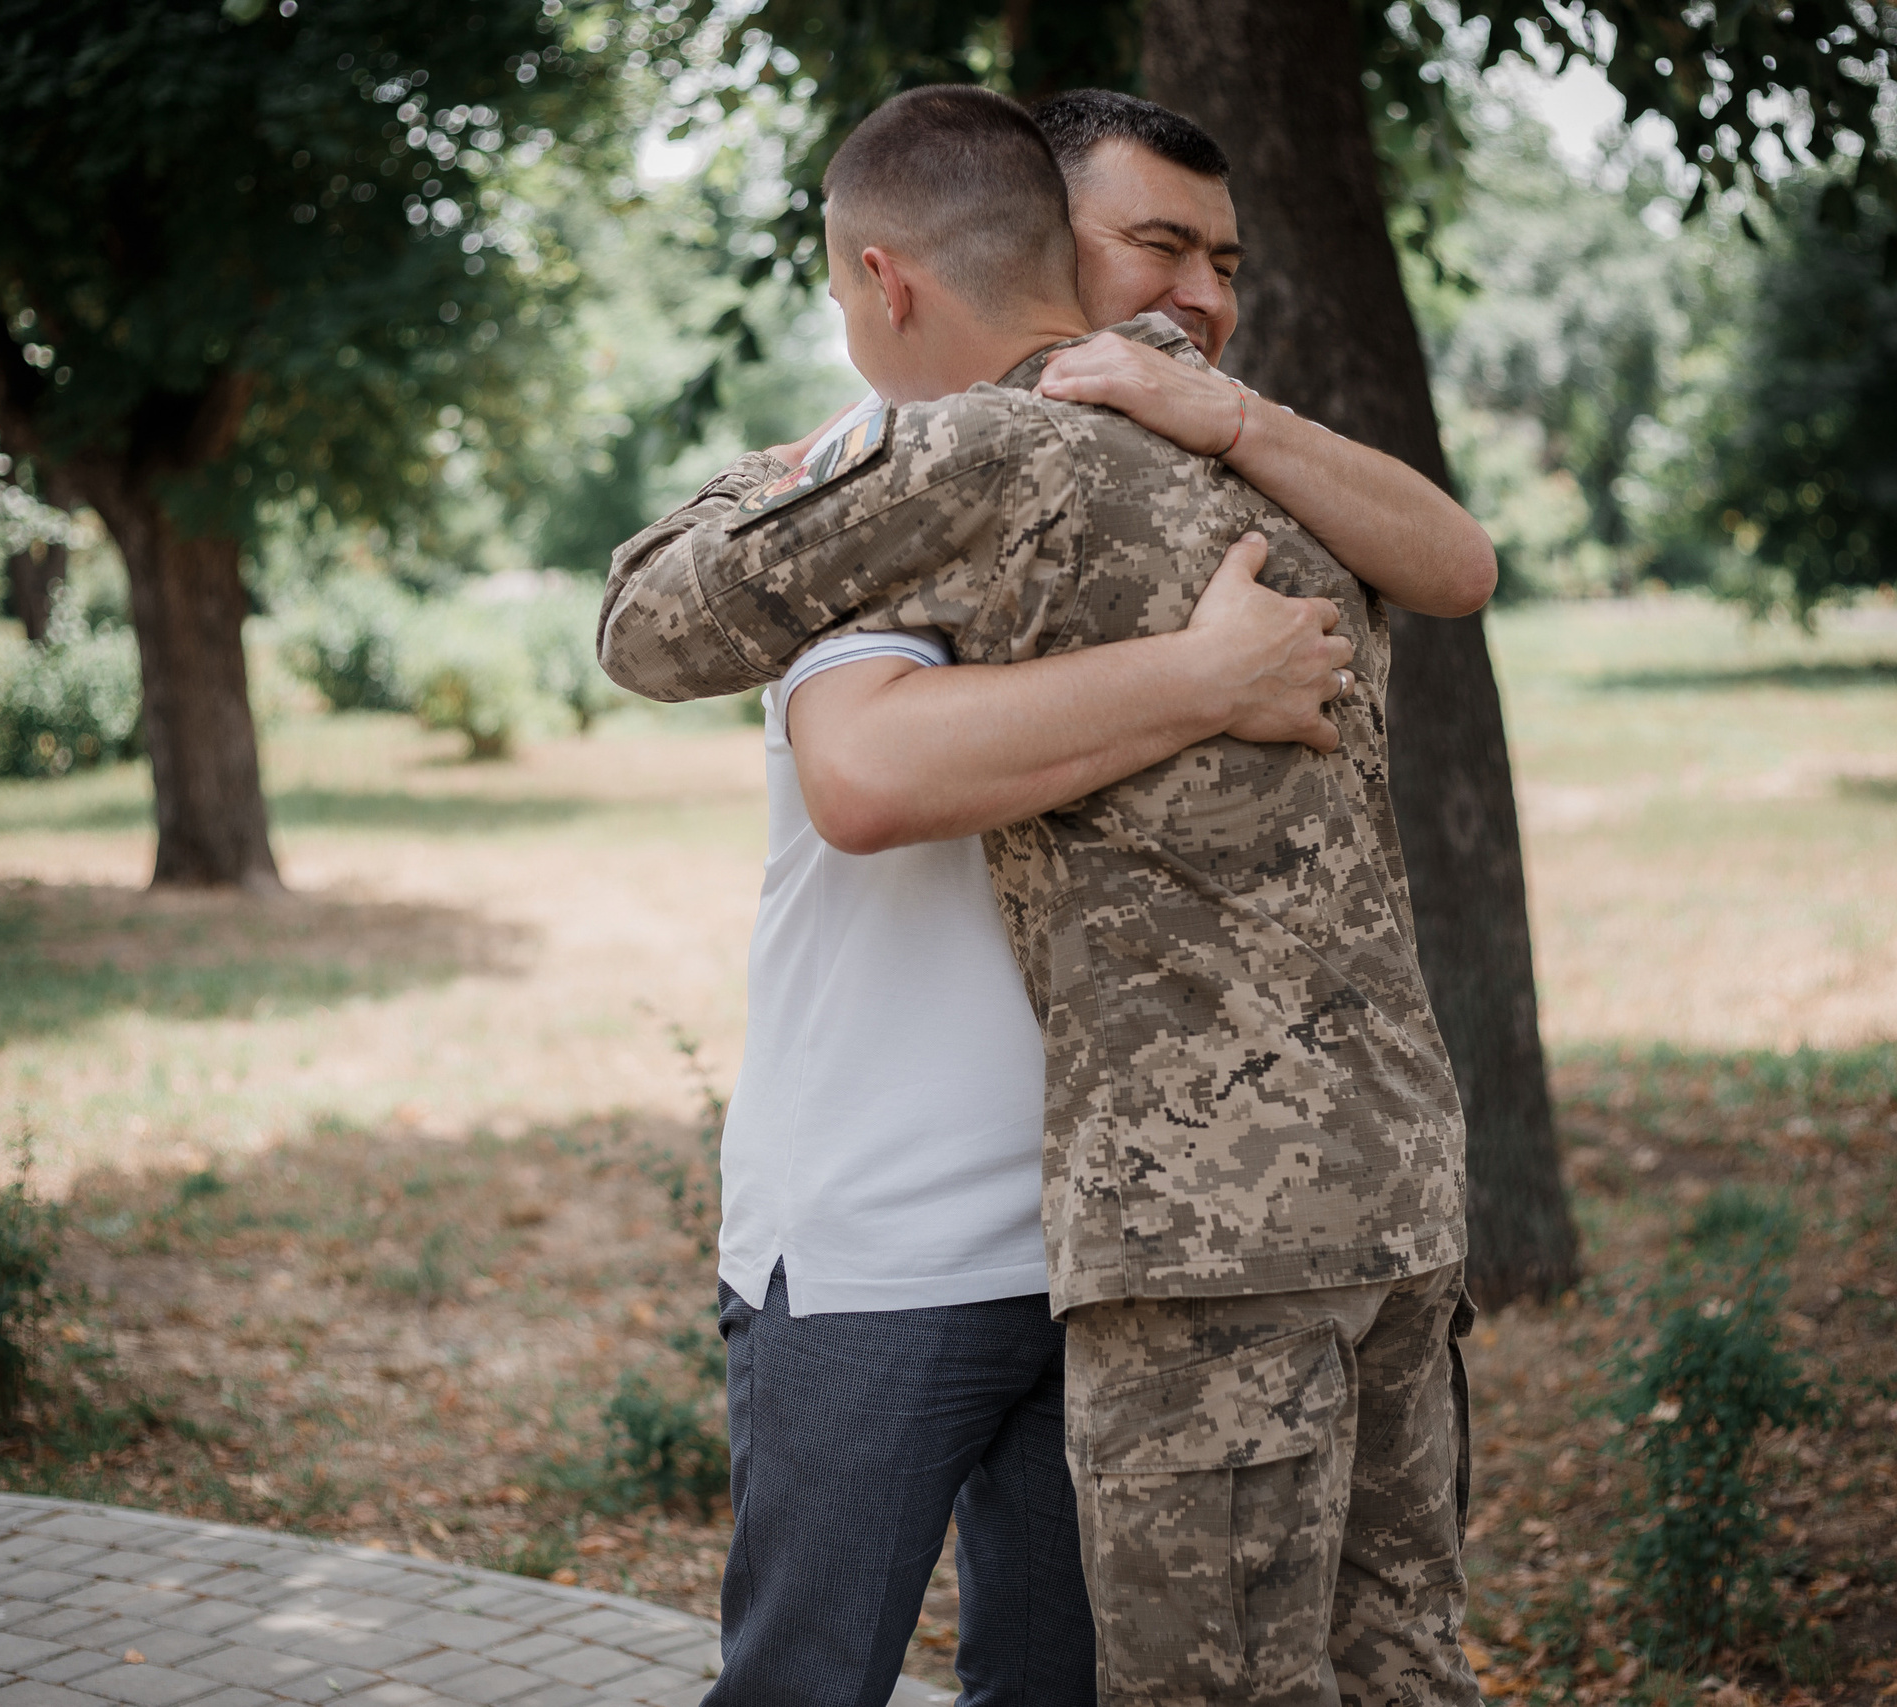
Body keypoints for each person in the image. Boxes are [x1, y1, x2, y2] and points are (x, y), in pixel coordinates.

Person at [600, 85, 1492, 1707]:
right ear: (1031, 238)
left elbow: (1457, 560)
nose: (1200, 298)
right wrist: (1204, 673)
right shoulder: (918, 462)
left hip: (1143, 1235)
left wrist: (1232, 426)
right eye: (1155, 246)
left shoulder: (1229, 453)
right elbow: (861, 774)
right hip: (897, 1229)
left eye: (1223, 260)